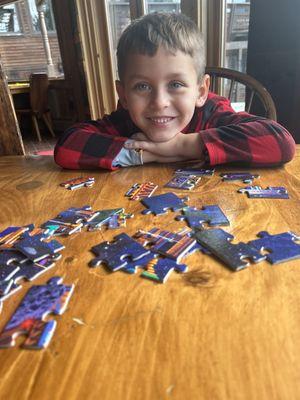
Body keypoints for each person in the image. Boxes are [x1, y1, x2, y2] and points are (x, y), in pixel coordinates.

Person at [54, 12, 295, 170]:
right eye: (142, 86)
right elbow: (66, 147)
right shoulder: (126, 121)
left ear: (201, 91)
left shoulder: (212, 113)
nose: (159, 102)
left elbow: (280, 141)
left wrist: (181, 147)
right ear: (124, 95)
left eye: (176, 84)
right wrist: (143, 154)